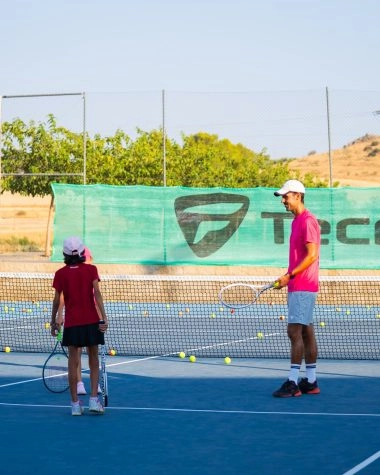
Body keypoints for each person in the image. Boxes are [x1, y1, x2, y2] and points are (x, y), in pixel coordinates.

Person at [272, 180, 321, 398]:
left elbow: (312, 255)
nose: (283, 201)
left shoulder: (308, 221)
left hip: (302, 284)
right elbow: (300, 257)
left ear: (298, 196)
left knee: (293, 331)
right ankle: (310, 381)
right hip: (298, 283)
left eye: (286, 196)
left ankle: (293, 383)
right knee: (306, 331)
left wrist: (290, 275)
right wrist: (286, 276)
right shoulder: (296, 221)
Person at [51, 236, 108, 415]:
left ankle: (75, 404)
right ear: (83, 252)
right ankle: (93, 400)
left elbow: (56, 300)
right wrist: (104, 318)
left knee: (73, 362)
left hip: (73, 324)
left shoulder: (60, 274)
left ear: (64, 254)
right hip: (91, 322)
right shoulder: (92, 269)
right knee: (93, 361)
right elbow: (97, 294)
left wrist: (54, 320)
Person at [56, 246, 101, 396]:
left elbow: (96, 298)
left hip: (89, 318)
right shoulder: (79, 272)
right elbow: (61, 298)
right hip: (77, 320)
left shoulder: (90, 271)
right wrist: (59, 315)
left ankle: (90, 392)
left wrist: (101, 317)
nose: (89, 260)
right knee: (77, 355)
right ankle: (80, 384)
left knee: (90, 354)